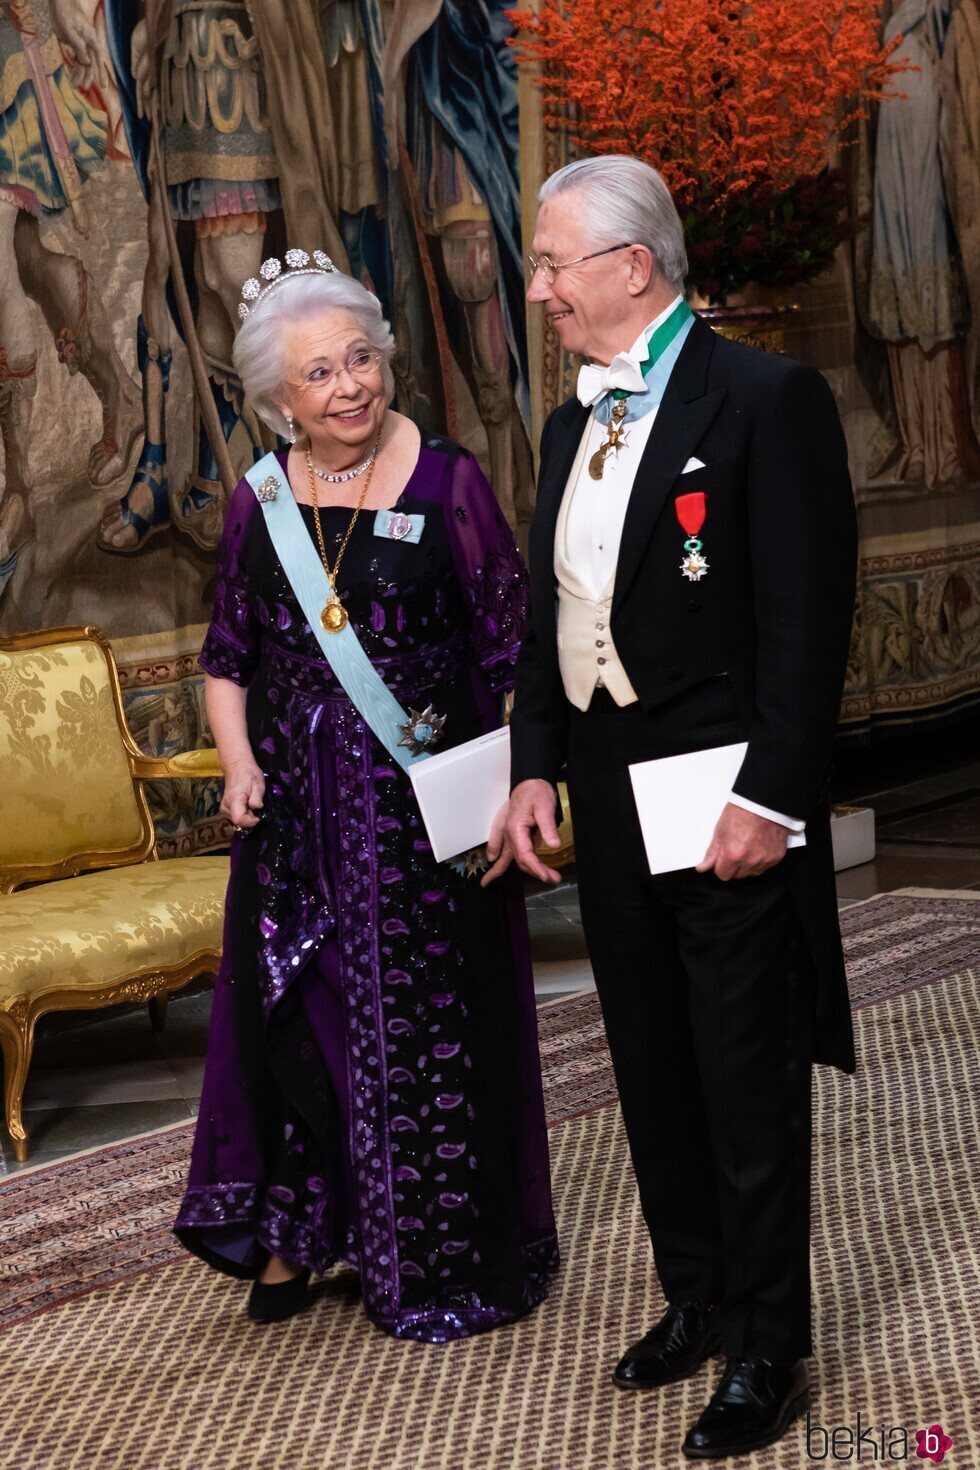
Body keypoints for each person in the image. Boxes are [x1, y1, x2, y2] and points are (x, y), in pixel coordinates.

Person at [485, 156, 858, 1458]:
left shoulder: (767, 399)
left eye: (550, 263)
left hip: (723, 793)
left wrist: (772, 795)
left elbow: (810, 630)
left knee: (744, 1074)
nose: (536, 290)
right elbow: (553, 617)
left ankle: (769, 1341)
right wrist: (531, 761)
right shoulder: (564, 421)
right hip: (603, 784)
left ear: (630, 266)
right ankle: (696, 1295)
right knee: (647, 1057)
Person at [174, 253, 558, 1340]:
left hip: (424, 820)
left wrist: (515, 782)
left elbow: (506, 648)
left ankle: (434, 1255)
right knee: (306, 1019)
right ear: (274, 399)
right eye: (318, 374)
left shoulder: (449, 484)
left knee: (428, 1032)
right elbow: (226, 655)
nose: (349, 387)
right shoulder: (260, 505)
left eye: (360, 360)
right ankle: (303, 1228)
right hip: (297, 825)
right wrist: (239, 764)